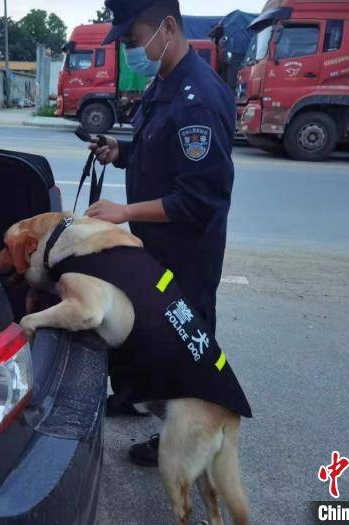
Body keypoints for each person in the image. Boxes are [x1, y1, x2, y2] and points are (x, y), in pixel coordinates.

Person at [85, 0, 237, 467]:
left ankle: (185, 440)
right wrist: (120, 151)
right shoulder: (166, 82)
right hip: (157, 243)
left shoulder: (199, 99)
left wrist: (123, 211)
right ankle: (137, 394)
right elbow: (158, 149)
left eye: (133, 40)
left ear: (167, 27)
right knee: (152, 330)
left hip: (187, 251)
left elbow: (197, 199)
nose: (130, 49)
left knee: (183, 343)